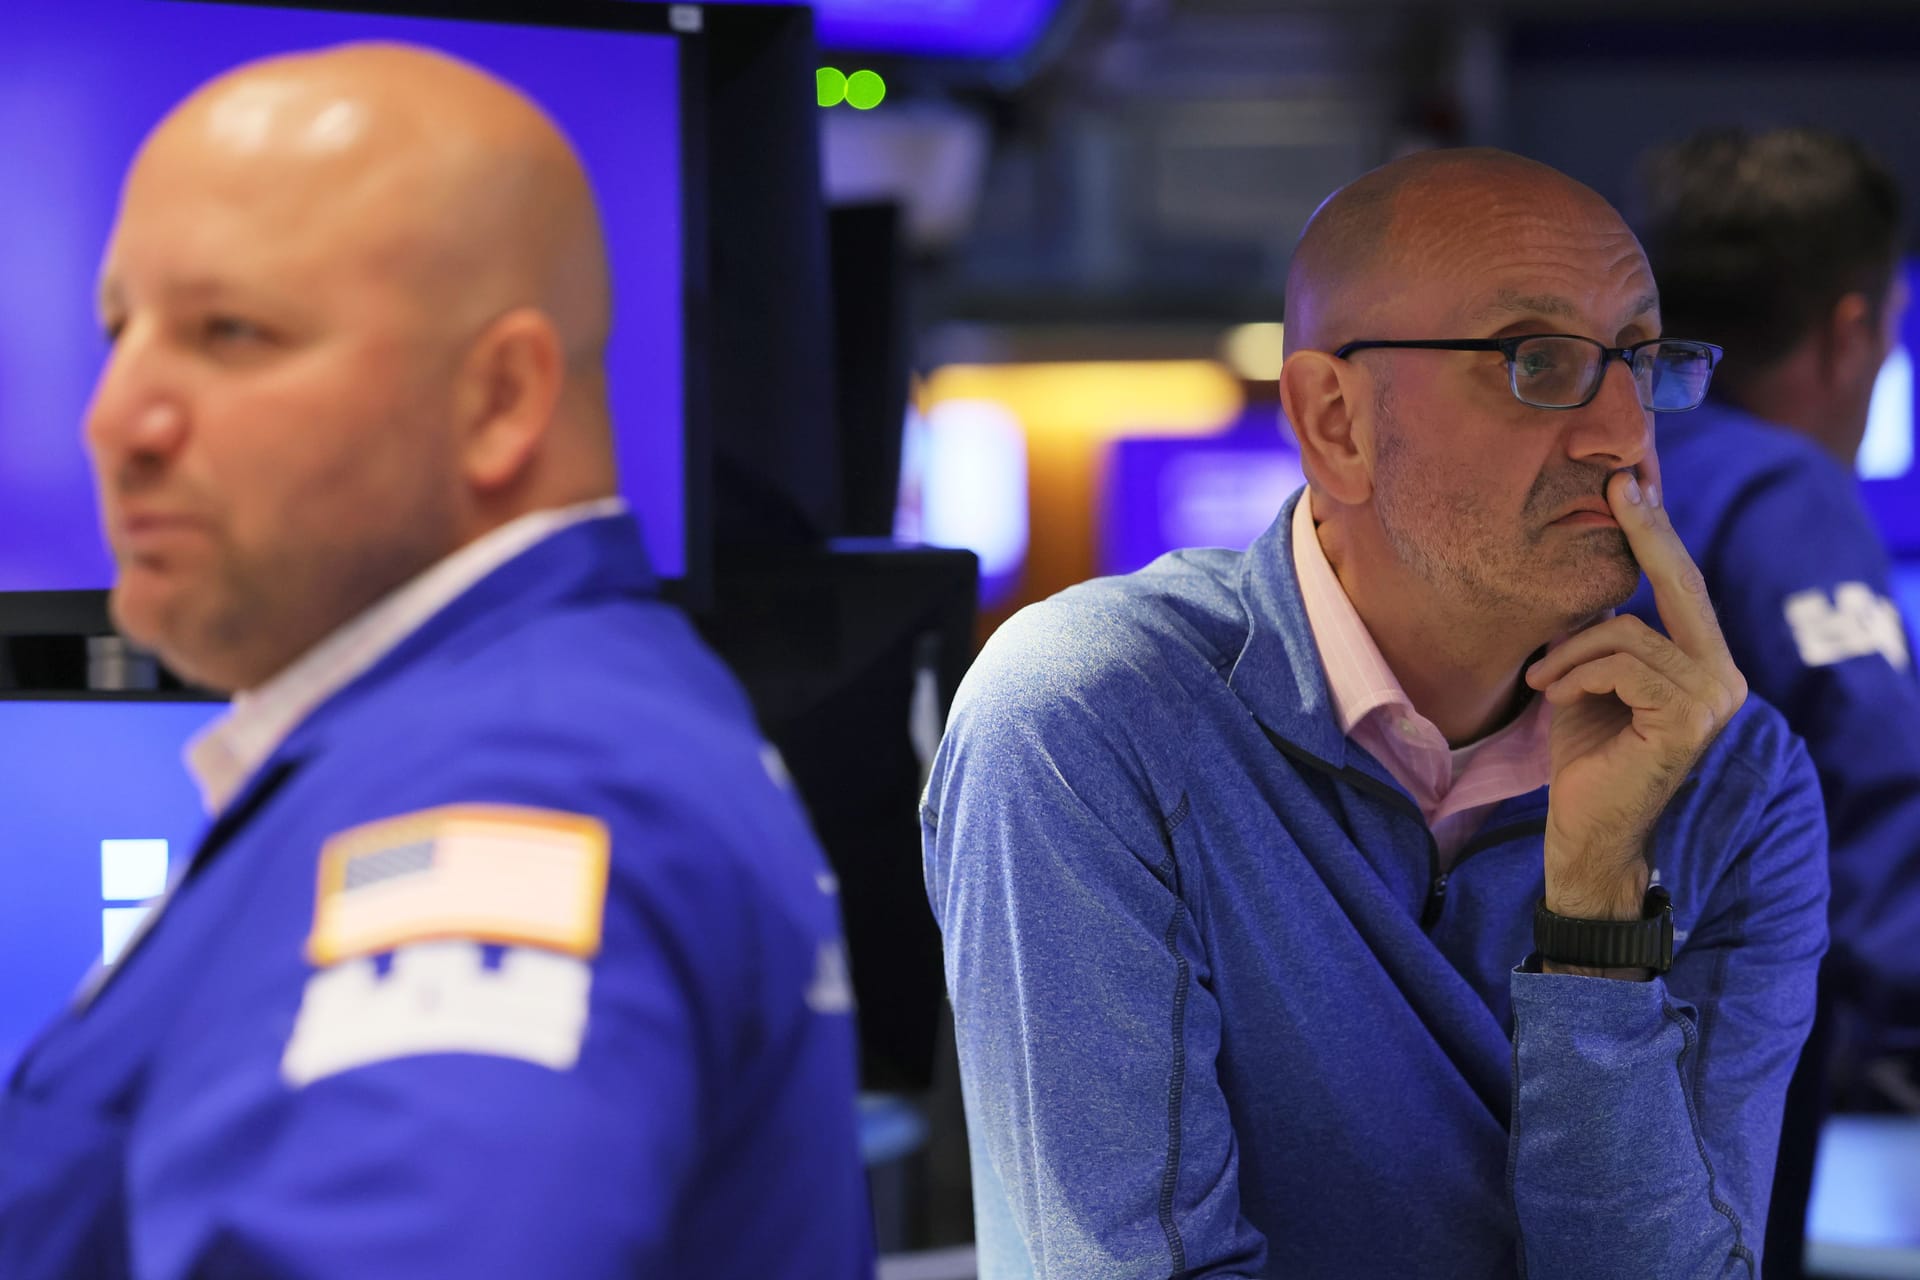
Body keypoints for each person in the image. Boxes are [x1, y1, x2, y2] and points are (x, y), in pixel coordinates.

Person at [0, 43, 872, 1279]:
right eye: (118, 331)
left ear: (502, 399)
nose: (116, 419)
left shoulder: (524, 777)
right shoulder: (515, 719)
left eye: (230, 332)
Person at [923, 147, 1828, 1279]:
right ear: (1335, 421)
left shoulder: (1734, 783)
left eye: (1640, 362)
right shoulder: (1092, 716)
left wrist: (1598, 914)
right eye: (1535, 361)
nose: (1623, 437)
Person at [1626, 126, 1920, 1278]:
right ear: (1855, 329)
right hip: (1715, 1111)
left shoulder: (1607, 474)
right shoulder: (1780, 489)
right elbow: (1884, 811)